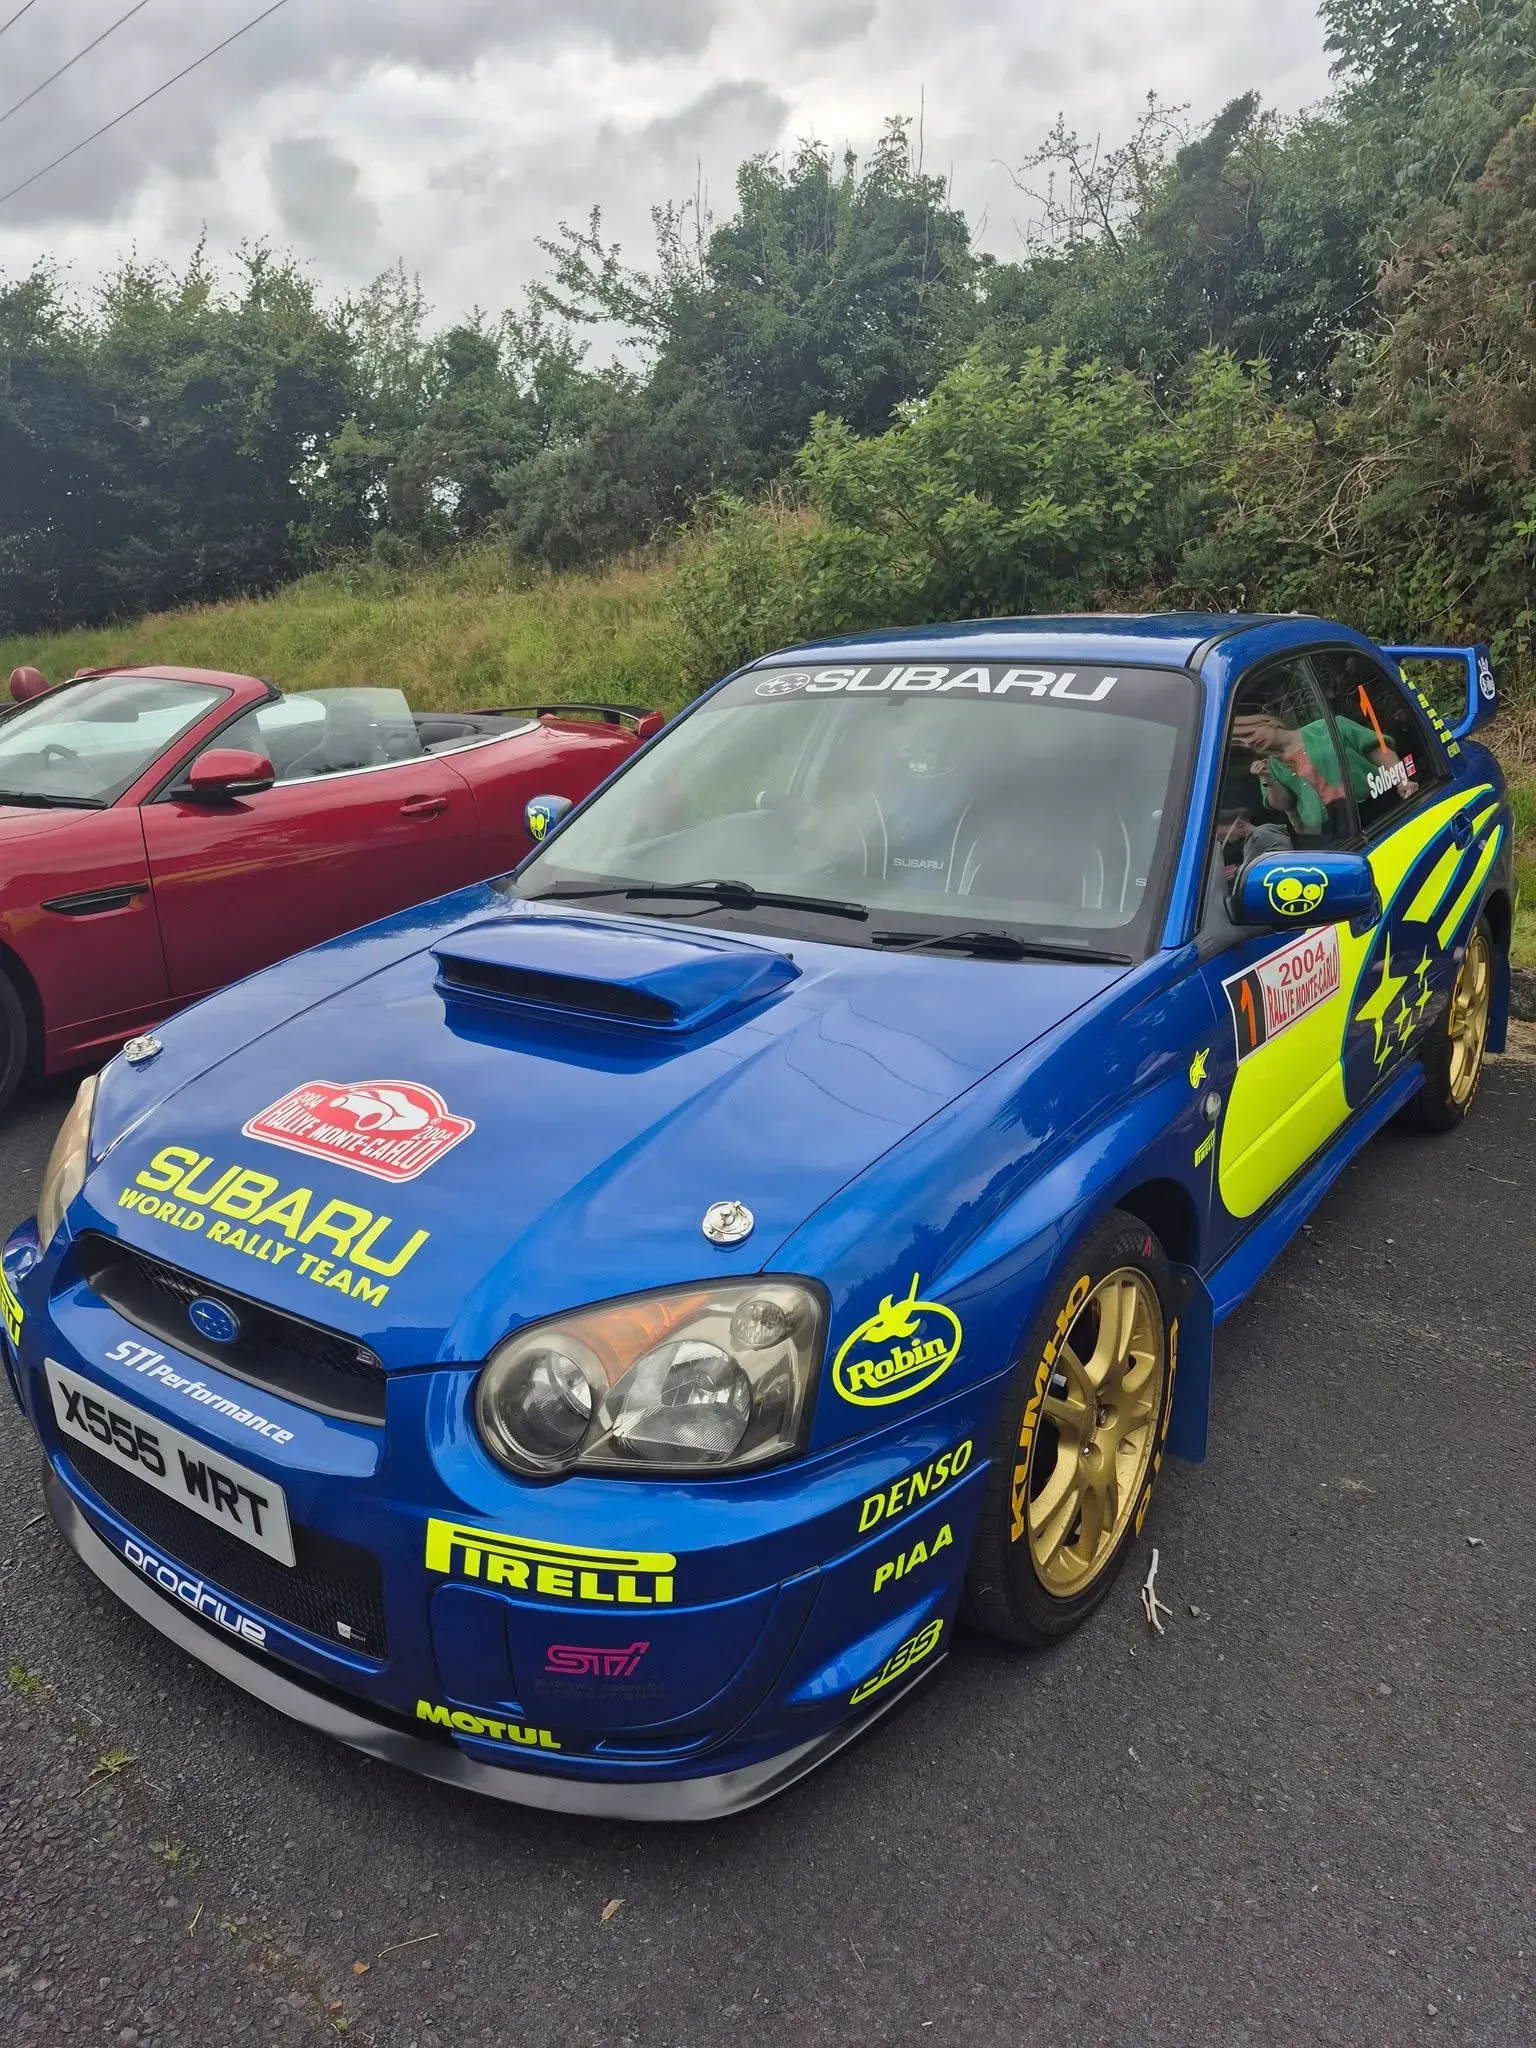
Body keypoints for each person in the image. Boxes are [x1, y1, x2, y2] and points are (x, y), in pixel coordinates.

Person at [1230, 708, 1411, 835]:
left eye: (1249, 734)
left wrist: (1402, 781)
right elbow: (1284, 805)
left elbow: (1377, 748)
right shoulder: (1272, 766)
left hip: (1376, 803)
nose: (1249, 742)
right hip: (1331, 828)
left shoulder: (1327, 727)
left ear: (1266, 722)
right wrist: (1267, 778)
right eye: (1243, 743)